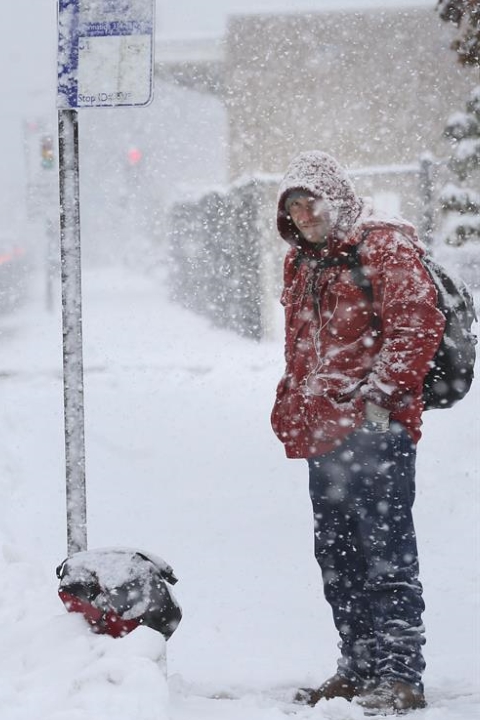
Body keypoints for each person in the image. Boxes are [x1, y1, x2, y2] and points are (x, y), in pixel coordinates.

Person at [271, 151, 445, 713]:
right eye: (294, 207)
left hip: (376, 431)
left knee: (386, 554)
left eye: (312, 201)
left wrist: (378, 398)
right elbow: (303, 346)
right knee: (338, 556)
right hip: (323, 435)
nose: (305, 214)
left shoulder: (382, 246)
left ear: (338, 198)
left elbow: (418, 324)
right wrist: (292, 401)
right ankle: (357, 666)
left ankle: (399, 675)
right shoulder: (301, 263)